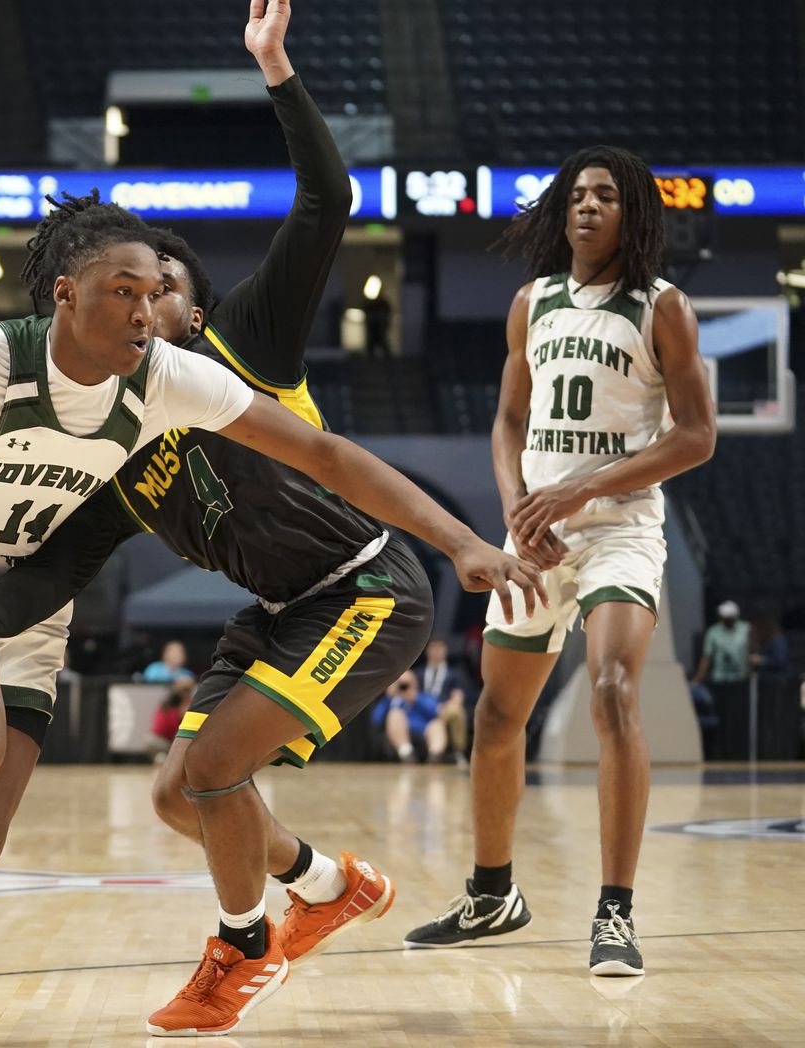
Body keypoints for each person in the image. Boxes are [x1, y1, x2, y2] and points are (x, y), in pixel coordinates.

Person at [0, 81, 542, 1047]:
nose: (143, 310)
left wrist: (462, 538)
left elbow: (306, 462)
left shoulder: (179, 383)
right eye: (125, 292)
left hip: (66, 585)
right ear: (64, 294)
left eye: (156, 291)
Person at [402, 146, 717, 978]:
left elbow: (696, 435)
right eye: (576, 195)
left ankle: (615, 912)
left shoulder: (663, 307)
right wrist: (514, 507)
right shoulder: (531, 303)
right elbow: (509, 422)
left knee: (615, 690)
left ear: (632, 214)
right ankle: (492, 892)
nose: (585, 207)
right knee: (499, 717)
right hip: (535, 532)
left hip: (617, 528)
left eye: (604, 196)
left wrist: (580, 490)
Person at [371, 671, 448, 763]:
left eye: (407, 684)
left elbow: (436, 712)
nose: (404, 688)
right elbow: (376, 718)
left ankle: (435, 757)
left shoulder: (422, 697)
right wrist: (389, 698)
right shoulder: (391, 700)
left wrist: (415, 698)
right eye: (401, 685)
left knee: (437, 724)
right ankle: (407, 755)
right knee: (395, 714)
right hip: (398, 735)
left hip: (423, 732)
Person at [419, 636, 468, 765]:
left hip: (443, 711)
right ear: (427, 651)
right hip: (421, 711)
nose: (436, 651)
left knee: (456, 711)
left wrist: (442, 708)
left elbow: (458, 698)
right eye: (433, 647)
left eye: (440, 647)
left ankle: (458, 751)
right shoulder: (418, 673)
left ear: (445, 650)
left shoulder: (454, 674)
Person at [691, 600, 750, 689]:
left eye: (730, 618)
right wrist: (697, 679)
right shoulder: (713, 632)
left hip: (741, 680)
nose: (728, 621)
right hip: (720, 681)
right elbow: (707, 657)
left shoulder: (746, 629)